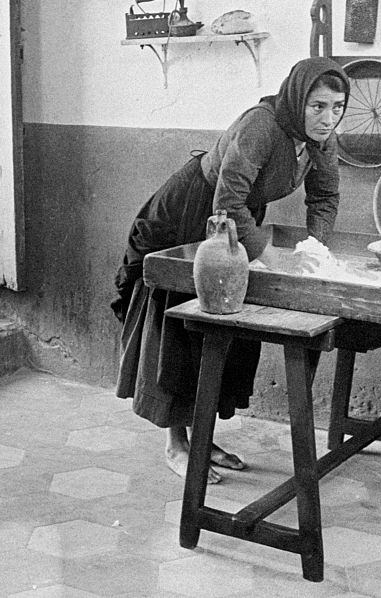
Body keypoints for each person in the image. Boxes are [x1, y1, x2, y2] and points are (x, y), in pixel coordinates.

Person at [112, 56, 350, 483]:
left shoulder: (321, 140)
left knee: (228, 330)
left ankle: (203, 437)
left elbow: (325, 197)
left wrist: (316, 247)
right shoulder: (261, 126)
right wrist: (270, 255)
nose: (328, 117)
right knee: (184, 328)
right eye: (318, 106)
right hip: (192, 213)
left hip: (238, 221)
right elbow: (226, 203)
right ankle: (176, 443)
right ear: (298, 100)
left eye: (337, 107)